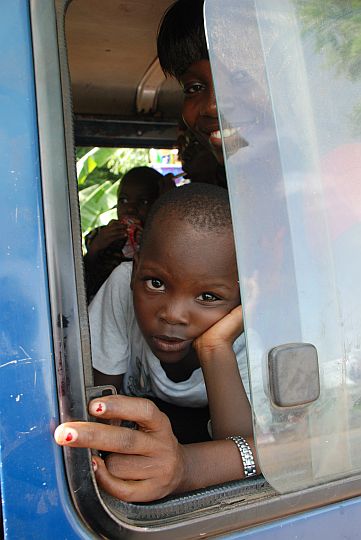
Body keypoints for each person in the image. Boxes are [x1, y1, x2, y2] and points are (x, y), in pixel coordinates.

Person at [54, 0, 259, 502]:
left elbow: (256, 445)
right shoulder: (122, 296)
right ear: (136, 261)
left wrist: (188, 466)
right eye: (194, 86)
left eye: (243, 78)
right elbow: (106, 401)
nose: (171, 312)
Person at [84, 166, 163, 302]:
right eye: (123, 200)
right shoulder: (100, 236)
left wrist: (148, 245)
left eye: (143, 202)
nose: (131, 208)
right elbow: (84, 274)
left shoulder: (161, 239)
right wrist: (97, 247)